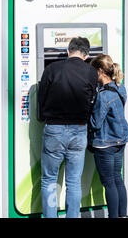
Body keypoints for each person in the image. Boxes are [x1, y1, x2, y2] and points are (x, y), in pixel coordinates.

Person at [37, 37, 98, 218]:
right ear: (86, 55)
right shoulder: (91, 72)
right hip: (79, 130)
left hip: (54, 129)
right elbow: (92, 101)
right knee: (73, 181)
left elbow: (41, 99)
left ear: (68, 50)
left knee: (49, 180)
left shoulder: (51, 69)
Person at [89, 54, 128, 218]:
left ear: (100, 71)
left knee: (109, 183)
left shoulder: (103, 95)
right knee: (117, 179)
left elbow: (95, 123)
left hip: (105, 143)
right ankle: (122, 215)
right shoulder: (120, 87)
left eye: (93, 72)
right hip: (120, 139)